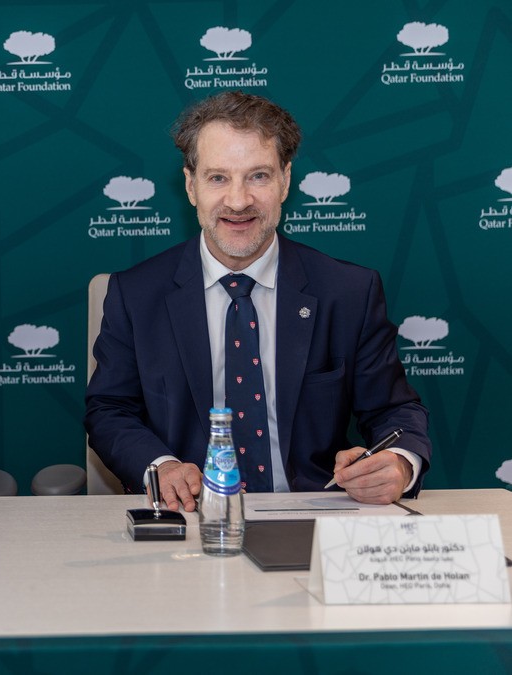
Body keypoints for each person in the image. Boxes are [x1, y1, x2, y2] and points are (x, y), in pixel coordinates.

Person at [84, 91, 431, 510]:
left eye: (258, 176)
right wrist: (160, 466)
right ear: (191, 185)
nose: (238, 201)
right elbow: (109, 409)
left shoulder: (349, 291)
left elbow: (394, 410)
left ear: (285, 180)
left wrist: (398, 463)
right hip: (191, 516)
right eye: (218, 178)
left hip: (312, 513)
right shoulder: (136, 294)